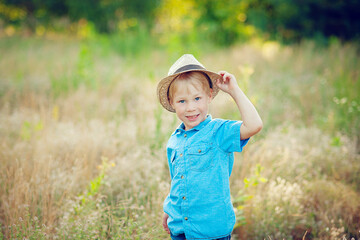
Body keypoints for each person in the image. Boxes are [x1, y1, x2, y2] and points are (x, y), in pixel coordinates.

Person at [157, 54, 263, 240]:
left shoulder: (219, 132)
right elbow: (178, 179)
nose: (190, 107)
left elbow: (254, 125)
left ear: (209, 97)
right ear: (172, 103)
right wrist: (169, 208)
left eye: (197, 98)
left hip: (210, 230)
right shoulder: (175, 139)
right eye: (182, 101)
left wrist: (234, 91)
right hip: (180, 228)